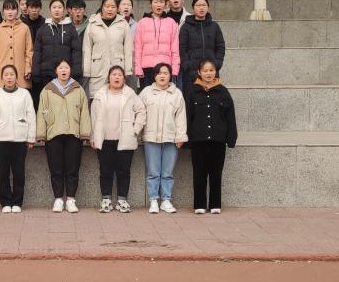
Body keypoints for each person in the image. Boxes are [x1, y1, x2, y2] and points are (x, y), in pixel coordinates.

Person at [36, 59, 92, 213]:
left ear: (70, 70)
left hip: (74, 134)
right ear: (56, 71)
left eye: (66, 67)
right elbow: (41, 112)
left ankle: (71, 199)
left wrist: (85, 133)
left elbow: (84, 112)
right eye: (60, 67)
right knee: (56, 169)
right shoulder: (47, 90)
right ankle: (58, 199)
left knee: (72, 169)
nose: (63, 70)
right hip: (53, 134)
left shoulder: (78, 89)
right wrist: (41, 133)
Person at [89, 66, 146, 213]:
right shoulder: (100, 95)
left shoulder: (130, 94)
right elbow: (93, 117)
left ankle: (122, 200)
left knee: (124, 171)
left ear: (124, 79)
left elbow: (141, 111)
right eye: (114, 74)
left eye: (120, 75)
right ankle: (106, 200)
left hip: (125, 139)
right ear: (109, 78)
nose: (117, 77)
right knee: (105, 171)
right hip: (105, 139)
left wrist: (135, 130)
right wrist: (93, 136)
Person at [186, 59, 237, 214]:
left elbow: (230, 116)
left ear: (216, 72)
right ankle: (199, 204)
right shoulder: (192, 91)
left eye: (211, 70)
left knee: (216, 173)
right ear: (199, 72)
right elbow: (187, 116)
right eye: (205, 70)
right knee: (199, 173)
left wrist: (231, 137)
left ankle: (215, 204)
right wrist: (186, 137)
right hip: (198, 140)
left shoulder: (223, 91)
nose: (208, 73)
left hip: (218, 140)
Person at [0, 64, 36, 213]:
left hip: (20, 139)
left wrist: (30, 137)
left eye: (12, 74)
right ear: (2, 77)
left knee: (19, 172)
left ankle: (17, 202)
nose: (9, 77)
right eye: (6, 75)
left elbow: (31, 115)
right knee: (3, 172)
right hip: (1, 139)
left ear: (16, 77)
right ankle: (5, 202)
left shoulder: (24, 94)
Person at [139, 63, 187, 214]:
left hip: (170, 138)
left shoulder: (177, 94)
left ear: (170, 76)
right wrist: (137, 133)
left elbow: (181, 117)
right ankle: (153, 200)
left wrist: (180, 136)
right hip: (151, 138)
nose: (162, 76)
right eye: (159, 73)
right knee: (153, 172)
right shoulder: (146, 92)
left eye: (165, 73)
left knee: (167, 172)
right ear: (154, 76)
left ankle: (166, 200)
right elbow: (139, 113)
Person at [32, 0, 82, 109]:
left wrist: (76, 72)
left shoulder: (70, 29)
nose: (57, 10)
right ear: (50, 10)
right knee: (48, 104)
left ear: (64, 10)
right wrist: (36, 72)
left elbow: (76, 51)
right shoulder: (43, 29)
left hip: (65, 74)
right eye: (54, 7)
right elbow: (37, 52)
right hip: (46, 74)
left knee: (64, 104)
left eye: (59, 7)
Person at [82, 0, 133, 98]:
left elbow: (128, 49)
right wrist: (86, 71)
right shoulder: (93, 24)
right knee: (97, 99)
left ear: (117, 8)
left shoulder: (123, 24)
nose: (110, 9)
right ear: (102, 7)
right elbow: (86, 49)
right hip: (98, 70)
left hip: (117, 68)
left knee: (117, 99)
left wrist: (128, 70)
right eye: (107, 6)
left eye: (113, 7)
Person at [134, 0, 180, 90]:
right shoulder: (142, 23)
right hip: (146, 69)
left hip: (165, 69)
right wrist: (138, 68)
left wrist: (174, 69)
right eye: (155, 2)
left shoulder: (171, 22)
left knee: (165, 96)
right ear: (150, 4)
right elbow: (138, 48)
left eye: (161, 2)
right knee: (146, 96)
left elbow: (175, 48)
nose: (159, 5)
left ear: (166, 4)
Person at [179, 0, 226, 84]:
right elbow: (182, 48)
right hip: (191, 72)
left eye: (204, 5)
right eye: (198, 5)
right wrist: (187, 65)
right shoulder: (186, 27)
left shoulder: (214, 26)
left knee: (213, 93)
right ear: (193, 8)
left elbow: (220, 46)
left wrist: (217, 63)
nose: (201, 8)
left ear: (208, 7)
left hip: (211, 72)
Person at [0, 0, 33, 89]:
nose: (10, 12)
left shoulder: (25, 28)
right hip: (2, 71)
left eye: (13, 9)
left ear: (17, 11)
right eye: (7, 9)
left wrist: (28, 68)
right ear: (3, 11)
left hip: (21, 71)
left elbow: (29, 51)